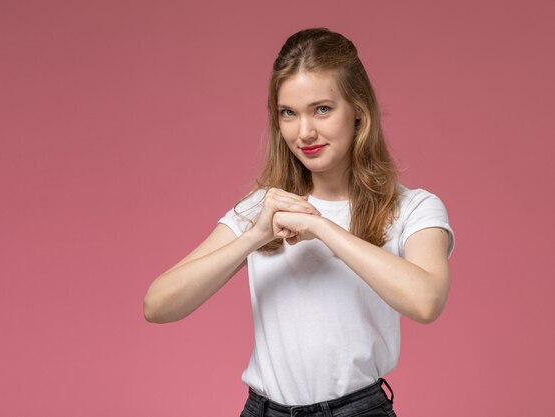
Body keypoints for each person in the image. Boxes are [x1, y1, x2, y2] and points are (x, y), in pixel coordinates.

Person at [144, 27, 455, 417]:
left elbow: (426, 301)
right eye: (288, 113)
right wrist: (252, 237)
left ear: (358, 109)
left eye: (322, 109)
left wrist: (323, 227)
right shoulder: (265, 208)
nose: (304, 132)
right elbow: (157, 305)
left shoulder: (413, 208)